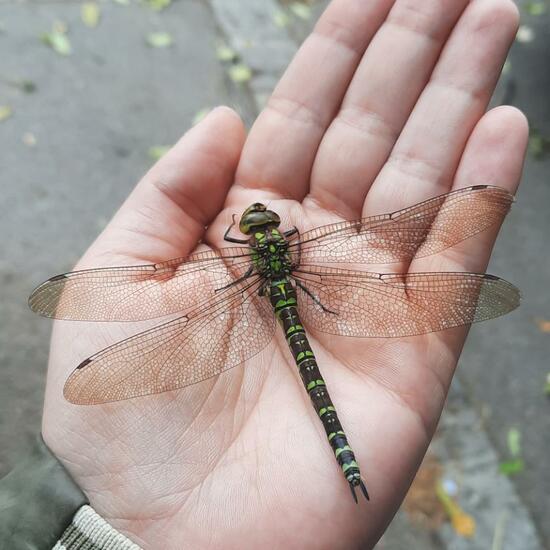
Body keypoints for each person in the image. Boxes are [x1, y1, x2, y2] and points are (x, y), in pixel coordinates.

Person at [0, 0, 528, 548]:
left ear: (252, 238)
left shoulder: (244, 252)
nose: (260, 224)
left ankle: (343, 460)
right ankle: (345, 457)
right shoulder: (291, 246)